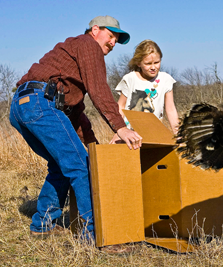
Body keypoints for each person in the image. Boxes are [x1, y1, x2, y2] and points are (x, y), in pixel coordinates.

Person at [9, 15, 142, 243]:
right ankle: (96, 235)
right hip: (40, 102)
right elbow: (99, 89)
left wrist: (96, 150)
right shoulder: (88, 44)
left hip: (22, 106)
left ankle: (43, 224)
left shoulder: (72, 64)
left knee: (62, 165)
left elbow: (77, 115)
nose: (112, 43)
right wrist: (120, 128)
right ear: (95, 30)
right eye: (110, 36)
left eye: (116, 40)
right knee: (80, 165)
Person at [110, 39, 179, 144]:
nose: (153, 67)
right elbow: (120, 106)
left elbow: (171, 109)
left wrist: (178, 134)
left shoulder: (166, 79)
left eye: (157, 62)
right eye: (148, 63)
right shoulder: (130, 79)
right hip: (130, 136)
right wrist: (118, 132)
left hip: (154, 135)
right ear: (138, 63)